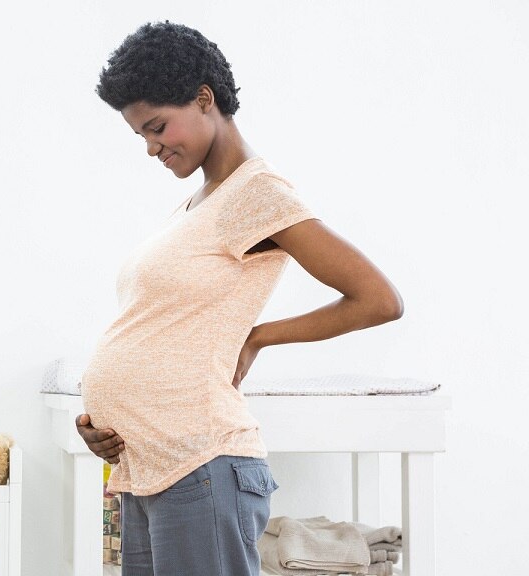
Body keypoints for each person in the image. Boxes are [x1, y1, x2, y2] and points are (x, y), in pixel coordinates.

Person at [75, 21, 404, 576]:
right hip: (149, 464)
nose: (152, 148)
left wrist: (257, 337)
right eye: (141, 137)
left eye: (158, 127)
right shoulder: (199, 204)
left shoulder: (257, 192)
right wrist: (106, 419)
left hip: (201, 464)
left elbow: (377, 299)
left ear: (205, 99)